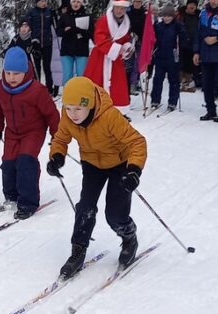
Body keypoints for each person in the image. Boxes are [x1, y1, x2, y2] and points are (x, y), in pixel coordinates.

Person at [46, 77, 147, 279]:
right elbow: (60, 138)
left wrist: (134, 170)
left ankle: (129, 237)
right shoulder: (67, 117)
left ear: (89, 105)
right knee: (86, 207)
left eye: (78, 109)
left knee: (115, 214)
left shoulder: (109, 117)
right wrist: (56, 157)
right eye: (68, 108)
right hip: (92, 164)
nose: (72, 115)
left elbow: (137, 142)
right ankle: (78, 250)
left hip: (120, 165)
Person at [0, 47, 60, 219]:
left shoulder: (36, 90)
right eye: (8, 73)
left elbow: (51, 113)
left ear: (25, 71)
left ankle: (28, 202)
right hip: (12, 132)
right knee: (8, 163)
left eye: (16, 73)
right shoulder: (0, 89)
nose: (11, 77)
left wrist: (56, 134)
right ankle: (11, 196)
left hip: (33, 131)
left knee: (25, 162)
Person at [84, 0, 134, 108]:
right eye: (117, 7)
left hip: (115, 59)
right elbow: (99, 38)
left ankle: (116, 109)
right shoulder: (103, 20)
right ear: (113, 7)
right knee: (96, 82)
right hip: (100, 57)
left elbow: (125, 38)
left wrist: (127, 47)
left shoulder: (126, 23)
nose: (119, 11)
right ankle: (93, 108)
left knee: (117, 85)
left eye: (122, 8)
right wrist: (116, 48)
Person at [150, 5, 187, 112]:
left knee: (173, 80)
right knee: (157, 79)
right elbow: (153, 39)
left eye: (169, 16)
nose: (167, 18)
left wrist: (182, 33)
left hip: (173, 56)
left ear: (173, 16)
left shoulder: (177, 26)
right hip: (160, 56)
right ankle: (155, 100)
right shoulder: (159, 26)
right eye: (165, 16)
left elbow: (183, 40)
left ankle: (172, 102)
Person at [24, 0, 57, 96]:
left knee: (47, 67)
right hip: (36, 44)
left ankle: (49, 88)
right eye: (42, 1)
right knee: (36, 68)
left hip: (47, 43)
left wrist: (55, 17)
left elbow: (56, 26)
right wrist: (32, 40)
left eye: (45, 1)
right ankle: (36, 88)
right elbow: (27, 27)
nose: (44, 3)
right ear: (37, 2)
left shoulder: (49, 12)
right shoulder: (32, 13)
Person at [58, 0, 93, 84]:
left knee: (81, 76)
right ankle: (67, 96)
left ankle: (80, 96)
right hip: (67, 50)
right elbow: (58, 32)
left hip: (81, 50)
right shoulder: (64, 16)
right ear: (71, 2)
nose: (76, 4)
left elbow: (90, 34)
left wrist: (80, 30)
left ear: (81, 3)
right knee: (67, 76)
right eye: (74, 1)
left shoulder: (87, 16)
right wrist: (65, 30)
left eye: (78, 2)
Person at [178, 0, 201, 90]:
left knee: (190, 64)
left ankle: (188, 80)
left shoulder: (198, 16)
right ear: (187, 5)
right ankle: (181, 80)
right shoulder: (181, 15)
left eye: (194, 5)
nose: (192, 6)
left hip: (193, 44)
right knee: (181, 62)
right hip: (181, 43)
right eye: (190, 4)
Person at [126, 0, 147, 95]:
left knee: (138, 63)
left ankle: (134, 83)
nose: (137, 3)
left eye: (139, 2)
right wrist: (130, 32)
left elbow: (147, 27)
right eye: (136, 1)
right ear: (133, 2)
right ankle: (128, 84)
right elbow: (125, 25)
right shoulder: (128, 12)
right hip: (130, 40)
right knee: (129, 62)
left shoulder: (145, 13)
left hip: (141, 41)